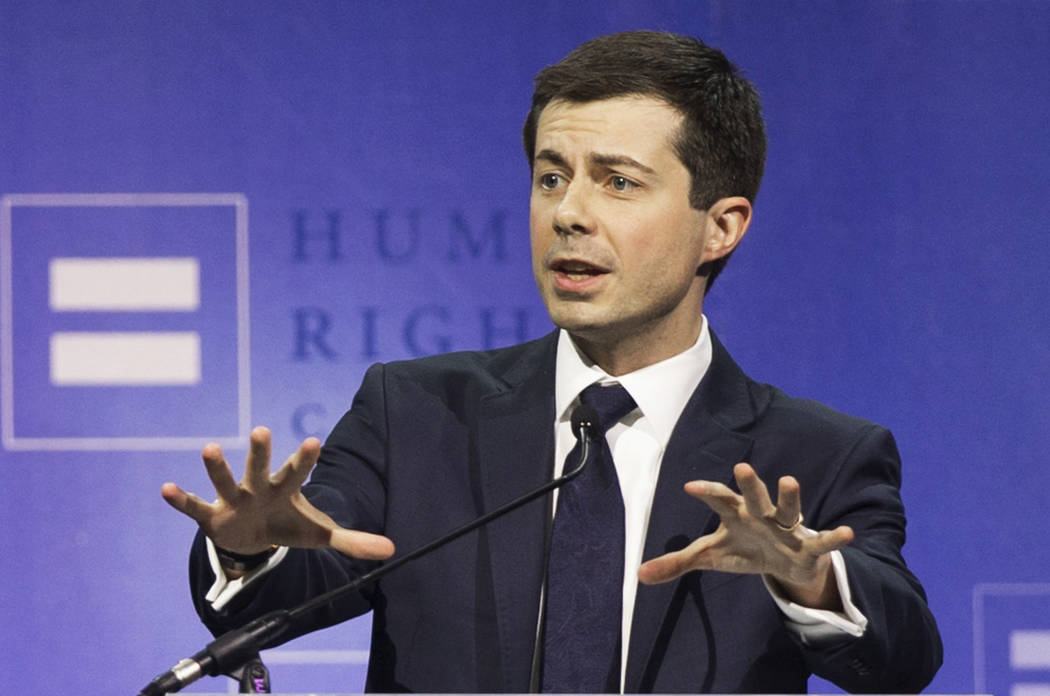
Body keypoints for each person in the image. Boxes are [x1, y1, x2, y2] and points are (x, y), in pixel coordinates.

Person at [162, 31, 942, 693]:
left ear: (722, 227)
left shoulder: (814, 456)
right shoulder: (418, 412)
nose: (568, 213)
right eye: (551, 177)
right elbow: (276, 596)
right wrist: (248, 546)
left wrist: (807, 577)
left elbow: (903, 658)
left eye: (619, 182)